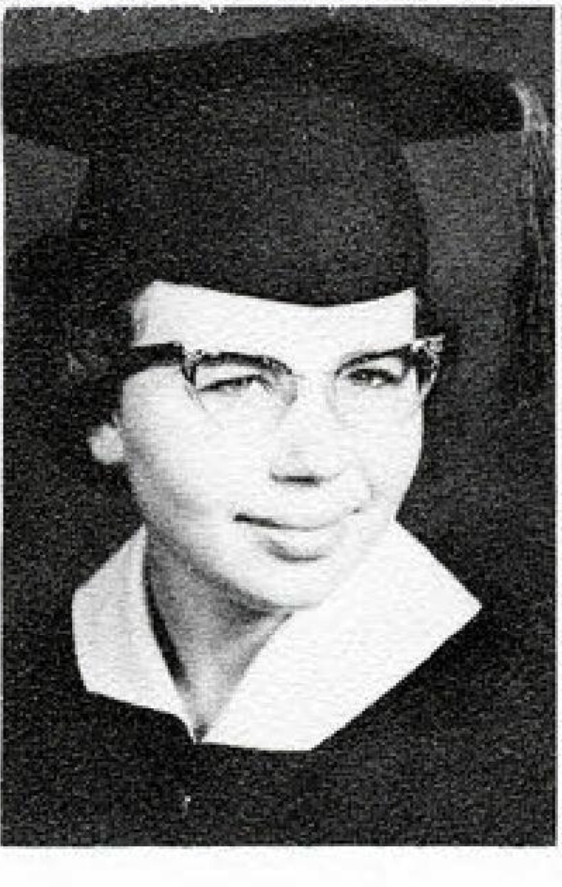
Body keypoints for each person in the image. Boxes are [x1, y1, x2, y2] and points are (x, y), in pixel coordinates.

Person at [2, 17, 554, 845]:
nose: (318, 458)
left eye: (372, 374)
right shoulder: (23, 700)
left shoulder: (533, 732)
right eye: (236, 379)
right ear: (103, 403)